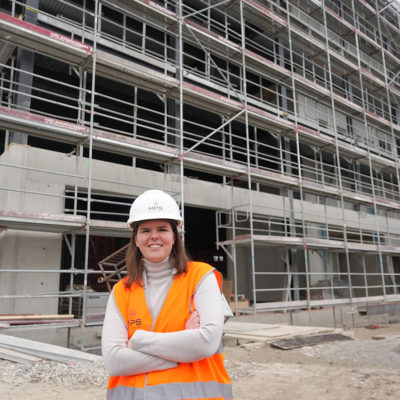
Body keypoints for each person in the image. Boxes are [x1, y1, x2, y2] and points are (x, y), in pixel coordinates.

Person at [102, 189, 232, 400]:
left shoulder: (200, 277)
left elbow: (206, 342)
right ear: (135, 239)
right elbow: (113, 361)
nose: (154, 236)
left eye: (162, 229)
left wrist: (136, 341)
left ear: (174, 237)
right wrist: (183, 351)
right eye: (145, 230)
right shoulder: (121, 290)